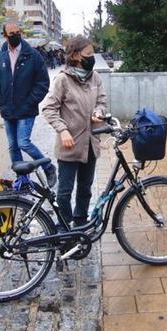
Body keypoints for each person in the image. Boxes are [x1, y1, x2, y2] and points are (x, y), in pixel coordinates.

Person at [41, 36, 109, 228]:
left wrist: (98, 112)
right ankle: (64, 224)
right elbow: (48, 109)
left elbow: (102, 101)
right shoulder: (63, 79)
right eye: (88, 54)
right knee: (64, 191)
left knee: (85, 189)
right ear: (77, 55)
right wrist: (62, 130)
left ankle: (80, 223)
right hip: (70, 145)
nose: (92, 57)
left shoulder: (95, 77)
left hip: (91, 143)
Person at [0, 23, 57, 187]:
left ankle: (48, 166)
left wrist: (30, 101)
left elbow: (42, 83)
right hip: (7, 110)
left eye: (18, 32)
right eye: (12, 33)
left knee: (23, 142)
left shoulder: (33, 55)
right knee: (13, 147)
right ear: (5, 35)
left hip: (26, 110)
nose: (16, 35)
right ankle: (23, 179)